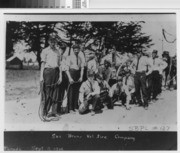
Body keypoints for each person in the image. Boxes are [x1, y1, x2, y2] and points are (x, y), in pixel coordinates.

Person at [40, 33, 64, 121]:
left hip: (56, 72)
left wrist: (60, 76)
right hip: (47, 72)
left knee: (55, 92)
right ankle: (45, 112)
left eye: (54, 41)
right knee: (47, 93)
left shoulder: (58, 51)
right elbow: (42, 64)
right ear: (48, 41)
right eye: (51, 41)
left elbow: (60, 64)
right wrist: (41, 77)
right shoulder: (45, 51)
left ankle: (54, 111)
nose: (53, 43)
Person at [66, 44, 85, 113]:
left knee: (76, 91)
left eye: (77, 49)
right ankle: (70, 108)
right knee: (71, 91)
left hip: (78, 74)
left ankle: (75, 106)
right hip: (71, 73)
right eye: (75, 50)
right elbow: (66, 69)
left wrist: (81, 76)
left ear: (79, 50)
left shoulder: (80, 58)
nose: (76, 51)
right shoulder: (69, 57)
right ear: (73, 50)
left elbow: (82, 68)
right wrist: (70, 78)